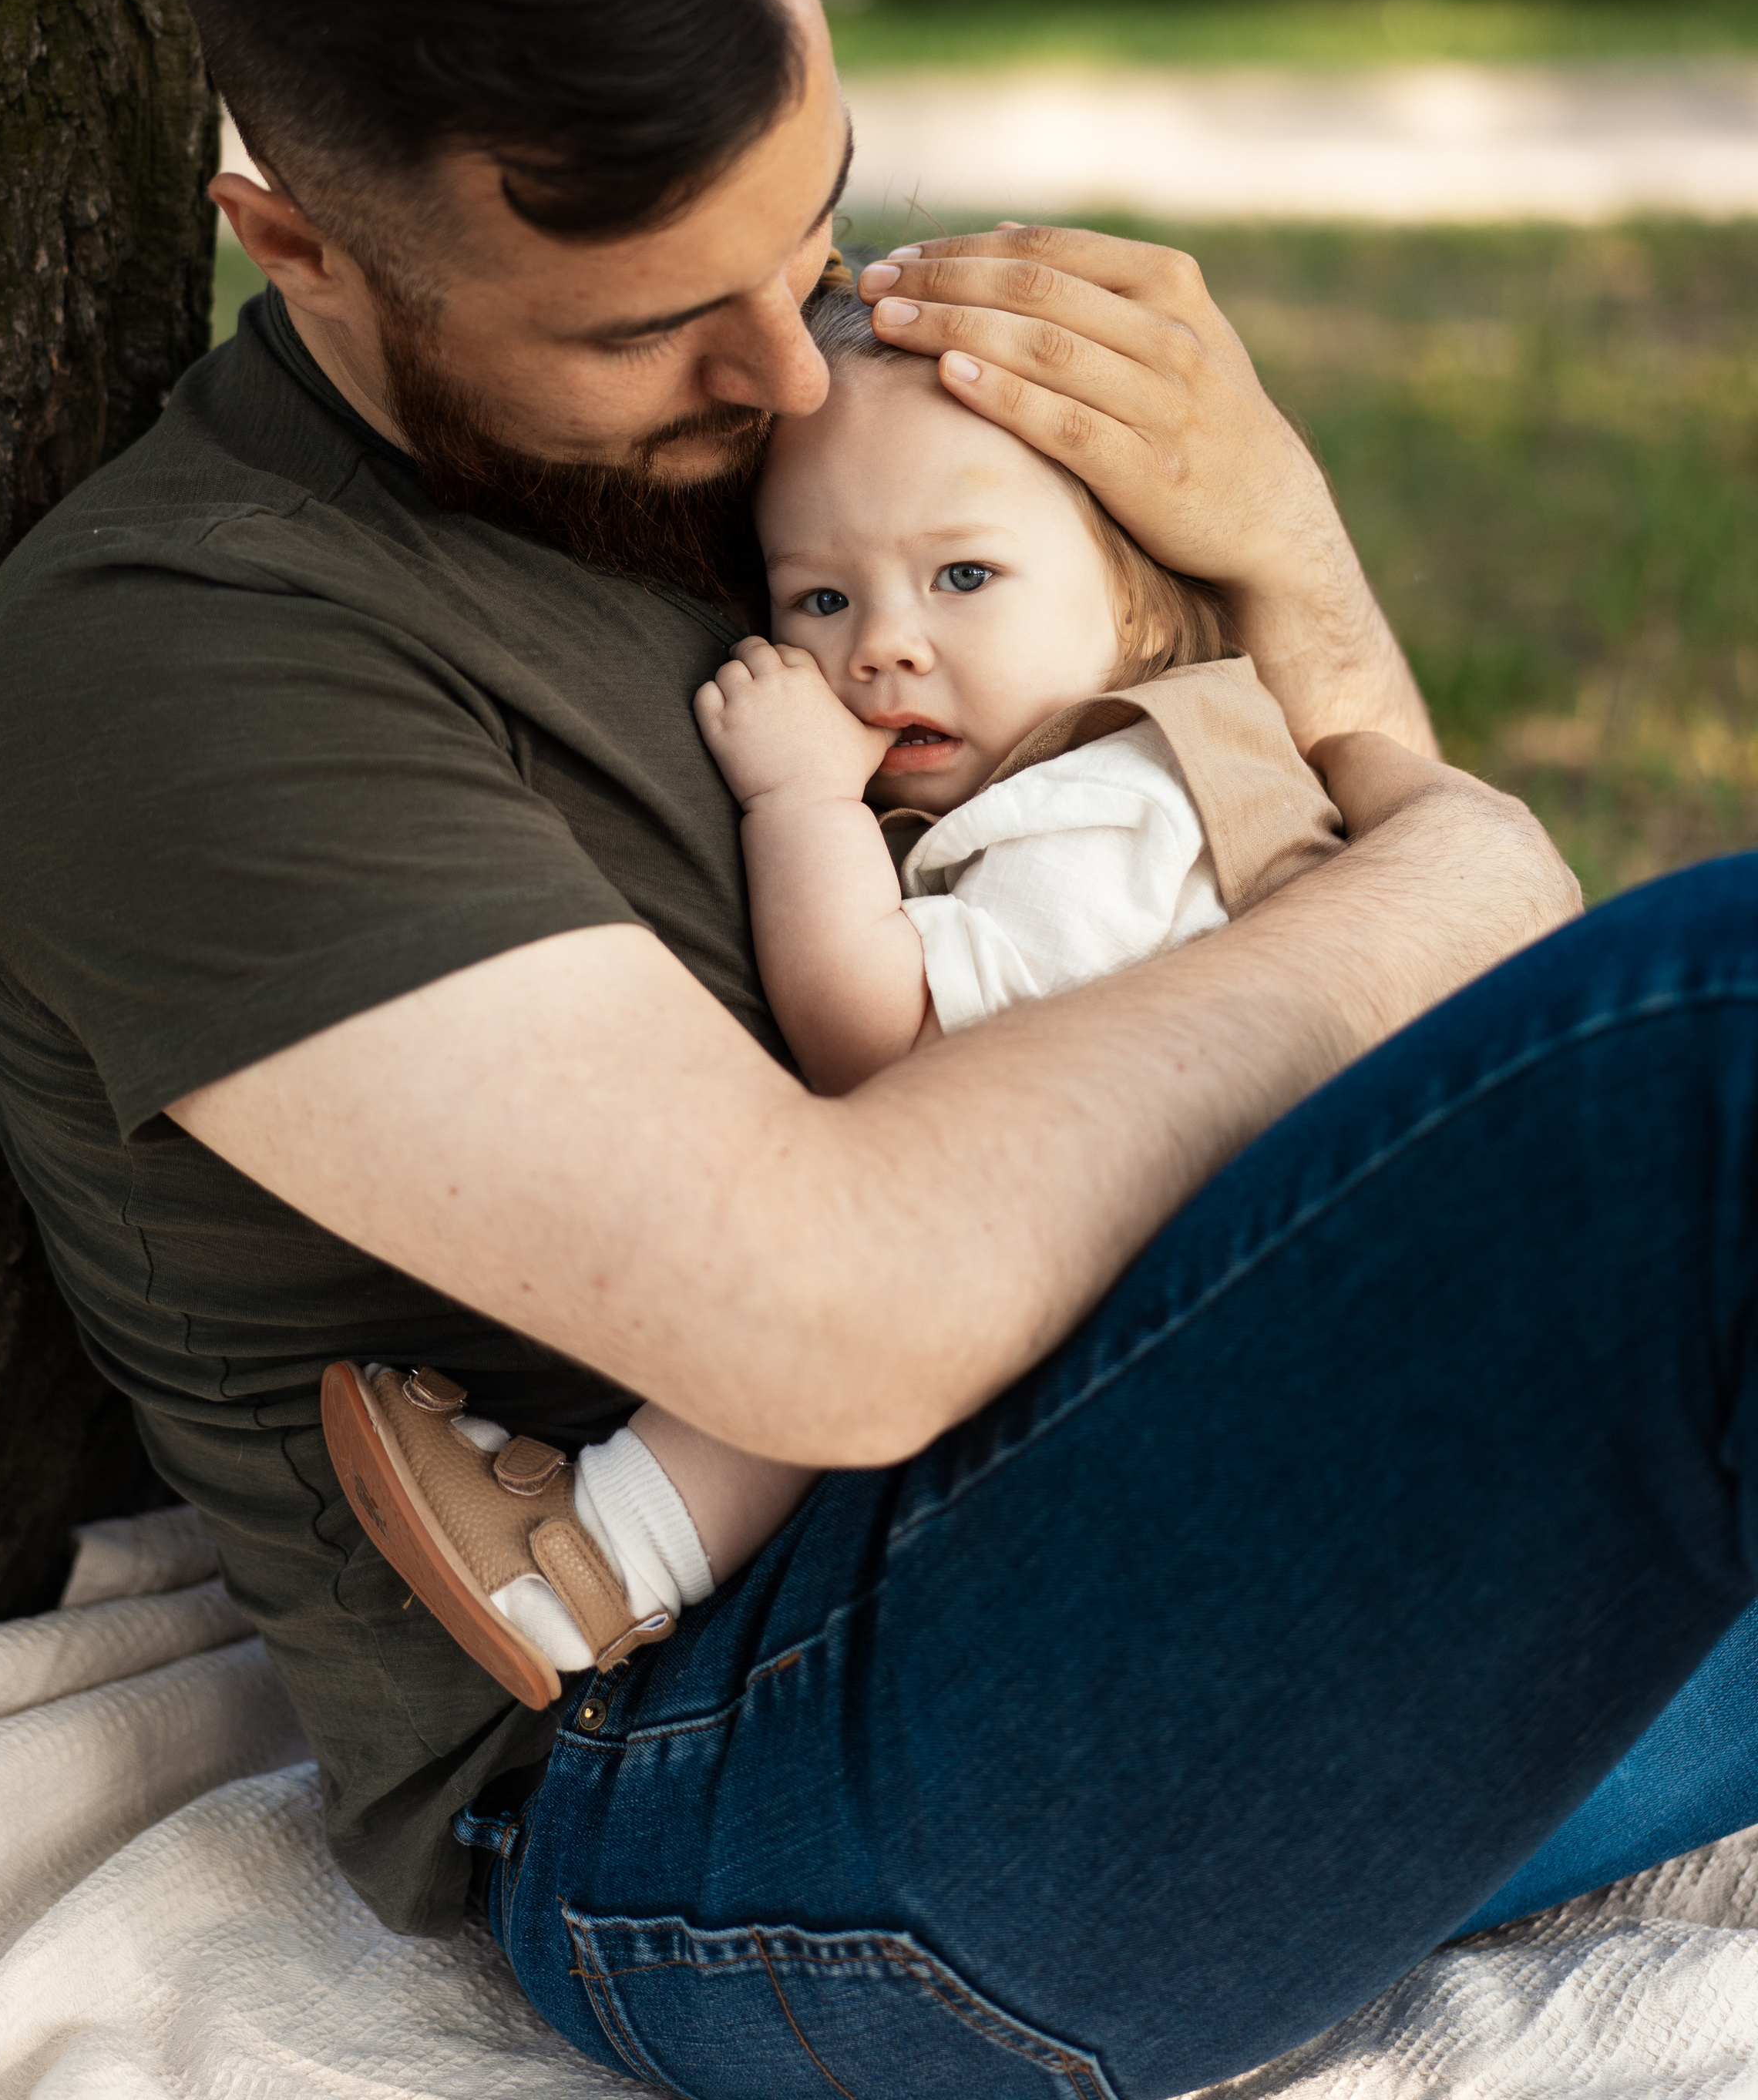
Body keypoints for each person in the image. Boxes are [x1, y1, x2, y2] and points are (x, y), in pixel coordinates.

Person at [0, 0, 1758, 2100]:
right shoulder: (185, 662)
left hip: (1188, 1555)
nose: (790, 375)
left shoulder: (847, 451)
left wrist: (1285, 558)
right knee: (1722, 1045)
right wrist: (1476, 870)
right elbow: (836, 1319)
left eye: (812, 231)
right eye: (656, 324)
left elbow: (1289, 908)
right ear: (305, 250)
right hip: (761, 1814)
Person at [324, 280, 1346, 1700]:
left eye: (964, 577)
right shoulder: (1102, 780)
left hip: (1160, 1334)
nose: (882, 644)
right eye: (820, 595)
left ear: (1135, 600)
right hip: (1159, 1323)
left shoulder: (1121, 803)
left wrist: (802, 800)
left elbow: (887, 1039)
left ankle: (589, 1561)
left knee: (844, 1305)